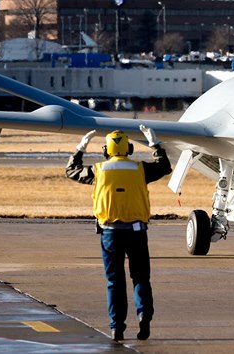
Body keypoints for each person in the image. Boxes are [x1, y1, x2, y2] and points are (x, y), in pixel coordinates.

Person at [65, 125, 172, 341]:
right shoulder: (140, 169)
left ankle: (117, 327)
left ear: (106, 150)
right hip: (137, 231)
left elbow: (71, 171)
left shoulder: (98, 170)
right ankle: (143, 315)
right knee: (141, 277)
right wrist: (155, 144)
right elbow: (164, 167)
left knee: (114, 281)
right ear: (129, 149)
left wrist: (80, 148)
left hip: (110, 233)